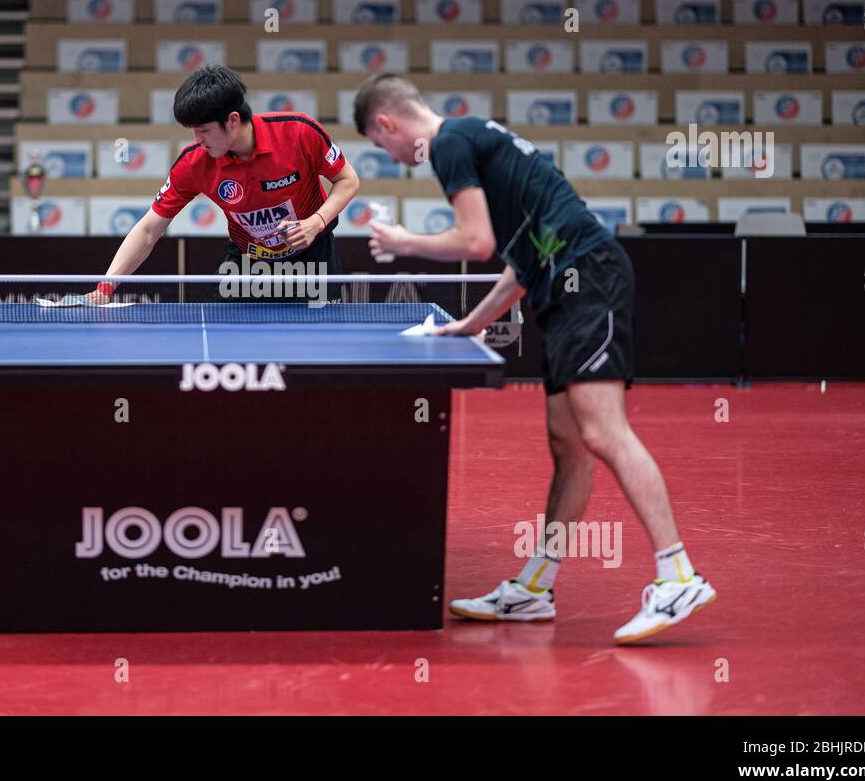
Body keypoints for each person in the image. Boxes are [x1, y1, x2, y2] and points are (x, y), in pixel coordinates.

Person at [353, 73, 715, 645]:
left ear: (387, 124)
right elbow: (521, 260)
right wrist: (470, 325)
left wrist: (405, 243)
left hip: (589, 279)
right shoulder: (479, 142)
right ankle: (535, 588)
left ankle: (678, 575)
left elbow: (473, 243)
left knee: (603, 432)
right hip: (563, 286)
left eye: (381, 146)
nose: (392, 158)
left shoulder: (449, 144)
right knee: (568, 445)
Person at [92, 66, 359, 302]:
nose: (198, 139)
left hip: (311, 259)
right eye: (193, 131)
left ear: (232, 120)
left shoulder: (298, 132)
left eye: (204, 130)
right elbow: (149, 229)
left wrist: (317, 221)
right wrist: (105, 287)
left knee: (315, 350)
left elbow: (347, 180)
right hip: (249, 263)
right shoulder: (195, 163)